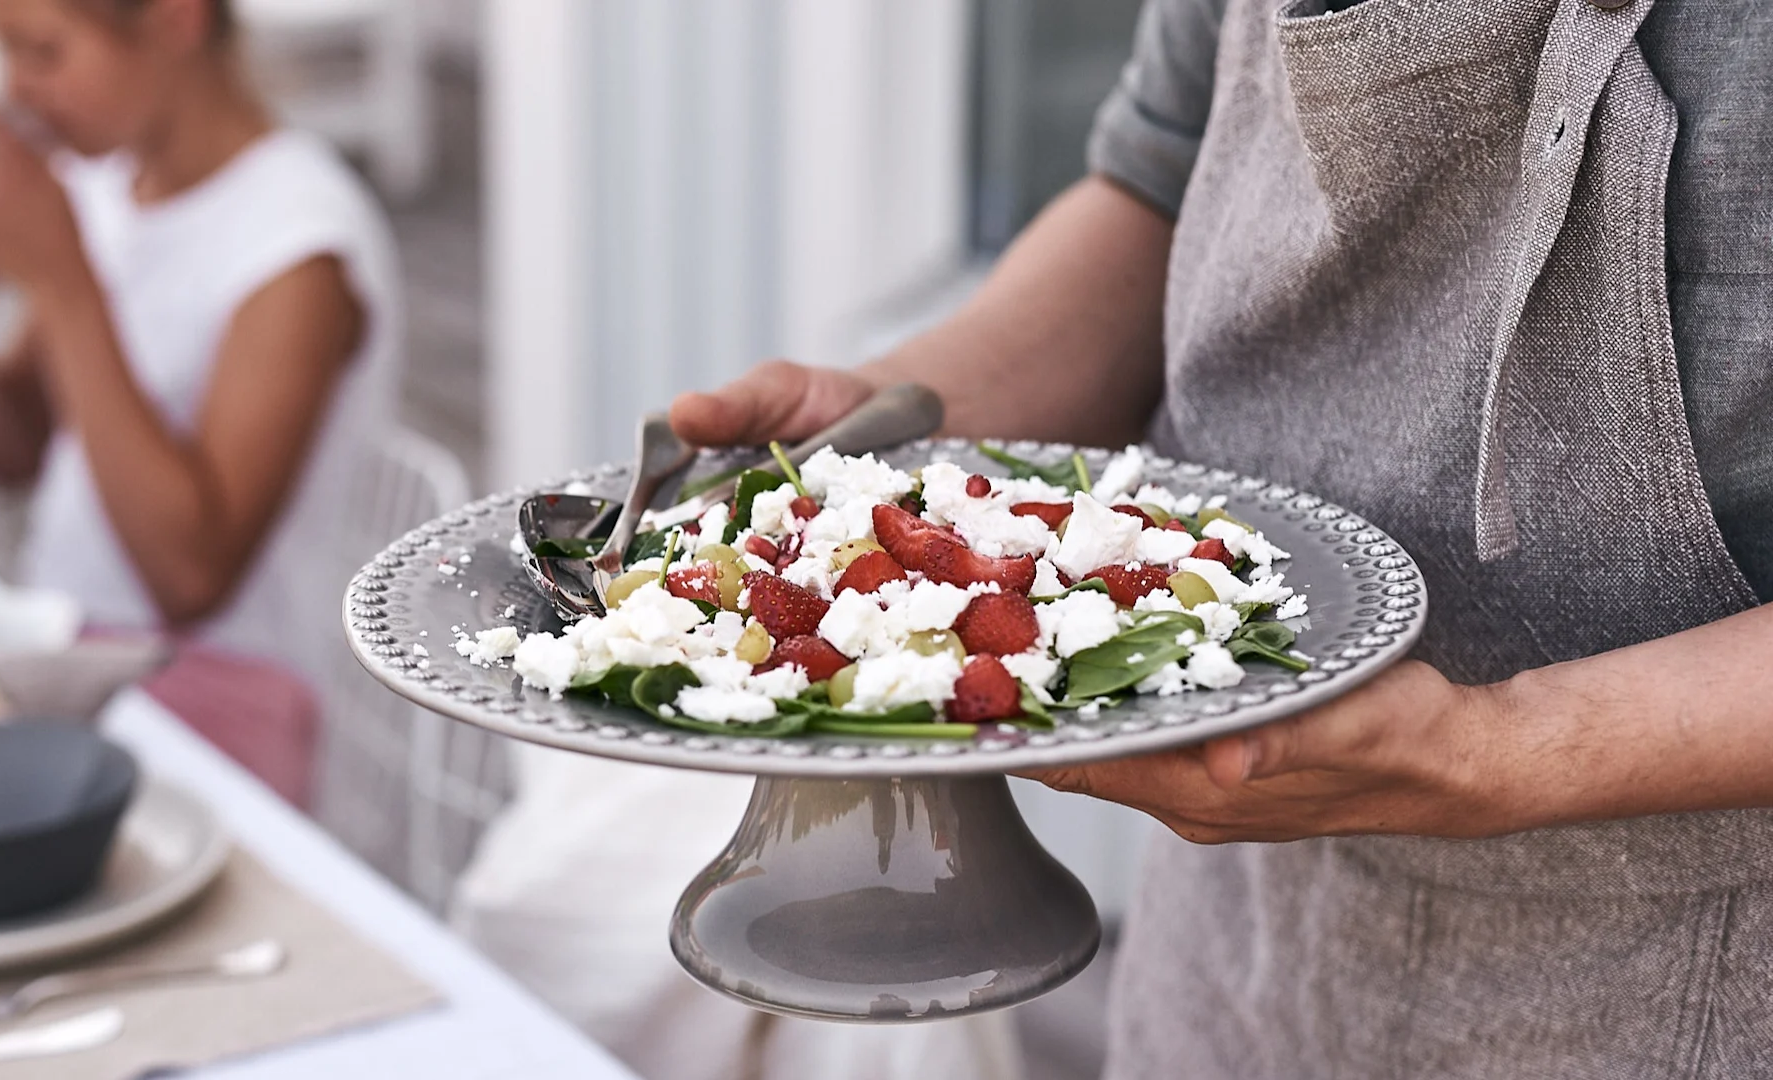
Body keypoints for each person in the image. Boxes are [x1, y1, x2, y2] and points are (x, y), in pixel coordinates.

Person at [670, 0, 1773, 1075]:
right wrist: (886, 429)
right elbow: (1161, 180)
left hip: (1697, 981)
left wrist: (1502, 746)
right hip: (1234, 947)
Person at [0, 0, 399, 801]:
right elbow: (17, 449)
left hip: (223, 701)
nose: (16, 87)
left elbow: (189, 580)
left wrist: (64, 280)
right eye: (2, 50)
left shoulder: (298, 247)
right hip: (68, 648)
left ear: (174, 19)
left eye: (43, 51)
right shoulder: (104, 185)